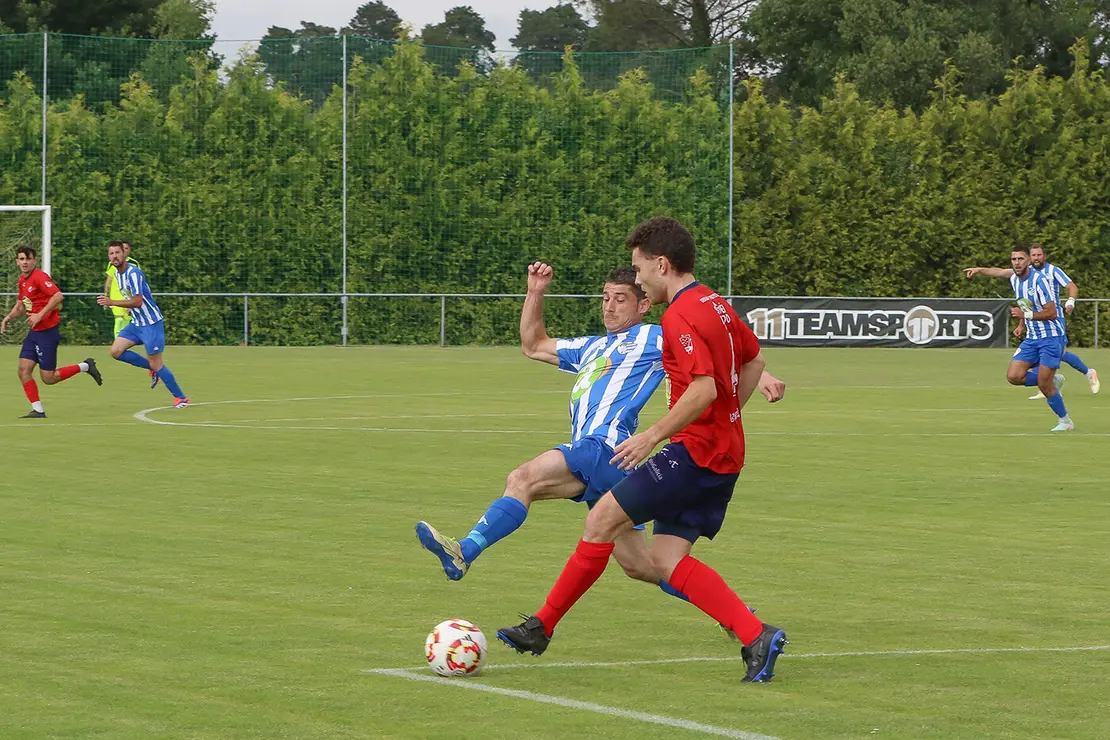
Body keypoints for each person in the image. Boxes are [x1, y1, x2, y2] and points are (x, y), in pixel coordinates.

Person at [496, 217, 788, 684]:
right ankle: (756, 635)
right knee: (665, 562)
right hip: (726, 455)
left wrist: (653, 435)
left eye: (638, 269)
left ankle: (542, 627)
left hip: (693, 454)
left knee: (601, 519)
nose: (636, 279)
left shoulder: (681, 314)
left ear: (661, 264)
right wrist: (730, 418)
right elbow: (753, 361)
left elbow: (704, 389)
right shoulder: (717, 303)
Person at [415, 263, 786, 617]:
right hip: (613, 462)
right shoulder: (590, 347)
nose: (610, 306)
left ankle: (465, 550)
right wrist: (535, 292)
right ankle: (735, 614)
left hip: (603, 448)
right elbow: (533, 344)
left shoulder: (653, 336)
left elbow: (717, 347)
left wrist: (763, 374)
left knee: (523, 479)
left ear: (643, 305)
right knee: (642, 565)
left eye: (620, 298)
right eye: (606, 297)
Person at [965, 243, 1098, 398]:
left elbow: (1071, 286)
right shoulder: (1024, 273)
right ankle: (1050, 381)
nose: (1036, 258)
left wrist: (1070, 301)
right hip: (1033, 321)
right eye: (1033, 255)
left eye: (1038, 255)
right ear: (1030, 258)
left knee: (1055, 352)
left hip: (1053, 320)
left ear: (1044, 256)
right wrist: (980, 270)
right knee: (1048, 353)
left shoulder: (1053, 271)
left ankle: (1079, 375)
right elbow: (1023, 299)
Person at [966, 245, 1072, 431]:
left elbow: (1052, 312)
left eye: (1021, 259)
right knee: (1014, 376)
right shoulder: (1015, 279)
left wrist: (1026, 317)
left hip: (1051, 337)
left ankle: (1065, 421)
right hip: (1033, 337)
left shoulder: (1040, 281)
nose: (1017, 262)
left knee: (1044, 386)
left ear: (1029, 261)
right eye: (1014, 259)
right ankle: (1051, 380)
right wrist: (980, 270)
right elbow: (998, 272)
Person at [1, 245, 102, 418]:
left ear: (35, 260)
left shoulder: (40, 277)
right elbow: (20, 305)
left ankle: (85, 366)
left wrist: (39, 315)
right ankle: (38, 410)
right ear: (17, 261)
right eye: (22, 259)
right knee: (23, 370)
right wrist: (7, 318)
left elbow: (58, 296)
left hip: (47, 333)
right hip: (35, 333)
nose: (25, 262)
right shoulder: (22, 280)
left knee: (48, 378)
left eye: (28, 259)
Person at [96, 241, 189, 408]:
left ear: (124, 254)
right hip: (137, 322)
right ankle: (152, 368)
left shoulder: (133, 273)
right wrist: (129, 309)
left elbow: (138, 301)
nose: (115, 256)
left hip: (150, 323)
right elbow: (133, 299)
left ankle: (181, 398)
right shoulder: (118, 274)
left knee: (157, 362)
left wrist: (112, 302)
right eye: (111, 253)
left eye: (118, 252)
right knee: (116, 351)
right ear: (108, 257)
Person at [103, 239, 141, 338]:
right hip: (115, 297)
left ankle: (123, 343)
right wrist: (106, 295)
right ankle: (118, 342)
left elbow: (137, 284)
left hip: (128, 298)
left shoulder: (133, 264)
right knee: (119, 320)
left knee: (126, 321)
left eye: (126, 248)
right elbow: (109, 280)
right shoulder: (113, 263)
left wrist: (132, 300)